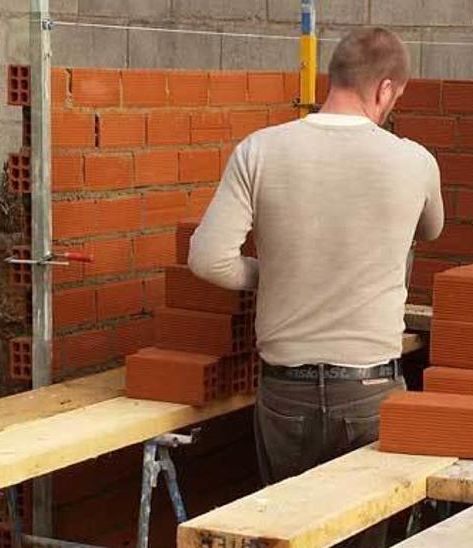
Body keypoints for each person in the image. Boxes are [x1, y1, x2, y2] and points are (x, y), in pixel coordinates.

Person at [187, 27, 444, 548]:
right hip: (370, 392)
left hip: (286, 393)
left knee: (288, 536)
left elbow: (207, 259)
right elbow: (432, 228)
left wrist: (271, 272)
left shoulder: (259, 150)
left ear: (335, 77)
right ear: (385, 90)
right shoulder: (414, 160)